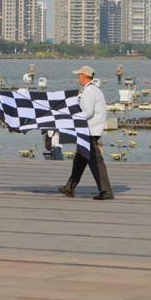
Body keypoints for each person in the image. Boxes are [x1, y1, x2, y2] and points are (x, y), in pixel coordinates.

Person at [58, 65, 114, 200]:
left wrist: (72, 119)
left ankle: (106, 190)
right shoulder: (95, 89)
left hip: (89, 130)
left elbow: (87, 113)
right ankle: (69, 187)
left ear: (84, 76)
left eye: (79, 75)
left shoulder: (89, 91)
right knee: (79, 159)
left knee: (95, 161)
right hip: (91, 129)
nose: (78, 77)